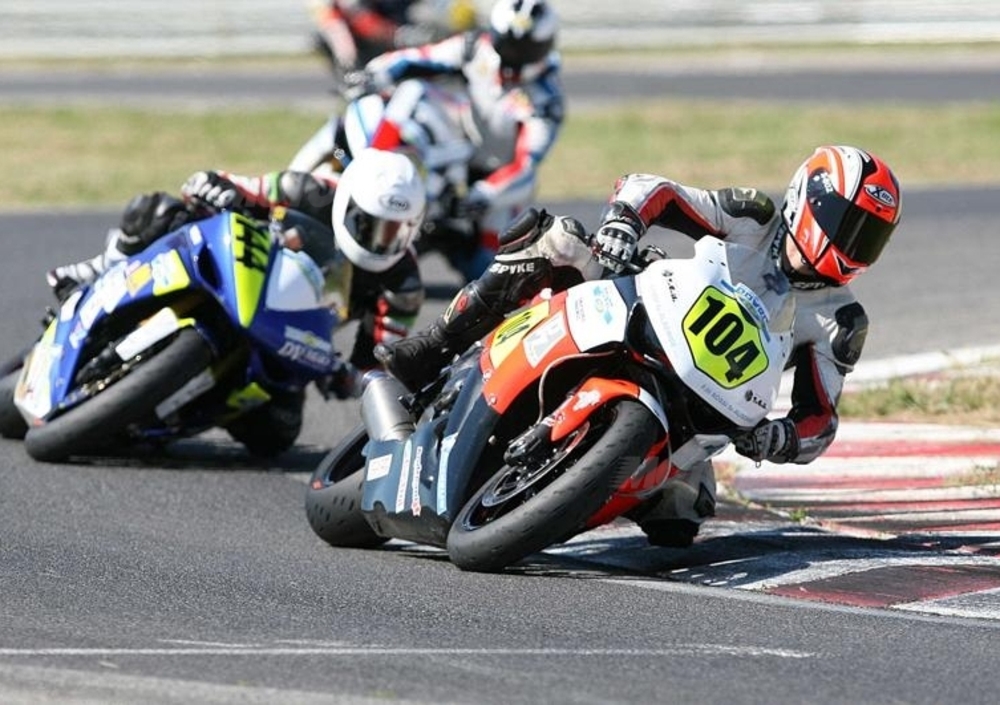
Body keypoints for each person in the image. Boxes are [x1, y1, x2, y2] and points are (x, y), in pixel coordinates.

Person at [376, 144, 903, 548]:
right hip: (646, 317)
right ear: (810, 201)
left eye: (870, 237)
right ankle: (437, 344)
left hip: (701, 410)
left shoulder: (841, 320)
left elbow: (821, 419)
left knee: (681, 522)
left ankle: (573, 491)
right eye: (849, 225)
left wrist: (781, 438)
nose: (854, 246)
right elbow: (658, 190)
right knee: (558, 239)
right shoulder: (754, 216)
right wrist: (624, 222)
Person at [46, 148, 427, 448]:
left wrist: (349, 378)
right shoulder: (309, 189)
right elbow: (230, 184)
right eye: (368, 224)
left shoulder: (404, 286)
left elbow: (378, 360)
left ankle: (171, 417)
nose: (381, 240)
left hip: (291, 338)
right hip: (243, 277)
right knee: (161, 211)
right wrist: (218, 188)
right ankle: (97, 270)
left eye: (395, 231)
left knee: (276, 433)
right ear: (348, 203)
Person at [346, 0, 564, 281]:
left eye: (526, 49)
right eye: (508, 45)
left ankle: (452, 243)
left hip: (498, 184)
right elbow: (418, 57)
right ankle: (374, 167)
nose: (514, 56)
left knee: (493, 274)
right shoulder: (475, 48)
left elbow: (525, 165)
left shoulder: (546, 99)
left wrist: (483, 195)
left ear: (545, 47)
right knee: (413, 91)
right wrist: (375, 73)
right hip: (458, 151)